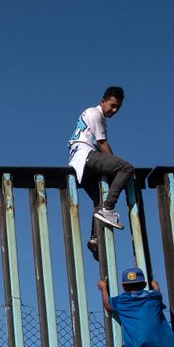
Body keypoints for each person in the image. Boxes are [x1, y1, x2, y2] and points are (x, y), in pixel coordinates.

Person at [68, 86, 133, 258]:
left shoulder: (95, 116)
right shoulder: (95, 114)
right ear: (102, 102)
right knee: (126, 168)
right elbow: (102, 143)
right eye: (112, 105)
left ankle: (95, 238)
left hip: (78, 162)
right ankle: (109, 208)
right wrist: (114, 164)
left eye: (118, 107)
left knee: (99, 198)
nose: (114, 110)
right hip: (86, 155)